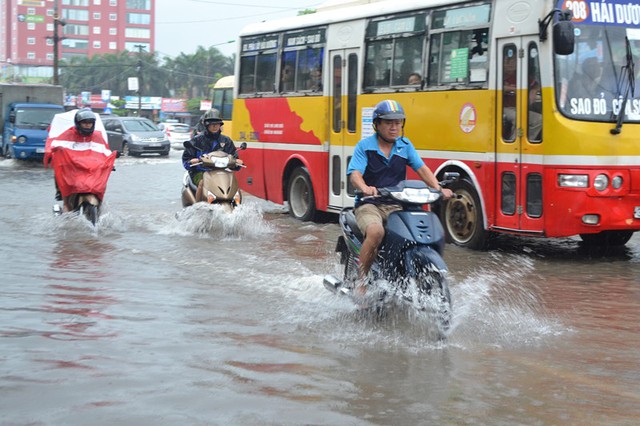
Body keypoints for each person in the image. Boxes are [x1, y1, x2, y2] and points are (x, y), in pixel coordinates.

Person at [347, 99, 453, 298]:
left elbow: (421, 169)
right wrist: (365, 188)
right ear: (377, 125)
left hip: (396, 203)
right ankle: (361, 281)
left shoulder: (405, 146)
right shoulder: (365, 147)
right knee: (376, 231)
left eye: (398, 122)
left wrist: (439, 188)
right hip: (370, 204)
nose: (394, 127)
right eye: (388, 123)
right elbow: (355, 174)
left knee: (420, 230)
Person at [44, 108, 116, 212]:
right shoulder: (67, 135)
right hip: (73, 172)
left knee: (100, 194)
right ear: (78, 123)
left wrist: (110, 161)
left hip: (90, 174)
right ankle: (66, 213)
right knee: (67, 200)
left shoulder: (98, 136)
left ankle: (99, 214)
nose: (87, 125)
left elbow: (105, 152)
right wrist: (54, 154)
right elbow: (54, 147)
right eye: (84, 123)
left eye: (90, 123)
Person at [182, 108, 242, 201]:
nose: (214, 126)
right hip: (201, 172)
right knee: (202, 182)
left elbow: (234, 157)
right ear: (206, 125)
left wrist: (237, 161)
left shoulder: (226, 141)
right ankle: (198, 208)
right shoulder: (197, 140)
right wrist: (192, 161)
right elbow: (186, 159)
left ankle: (237, 207)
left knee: (233, 183)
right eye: (212, 124)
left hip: (221, 172)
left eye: (217, 123)